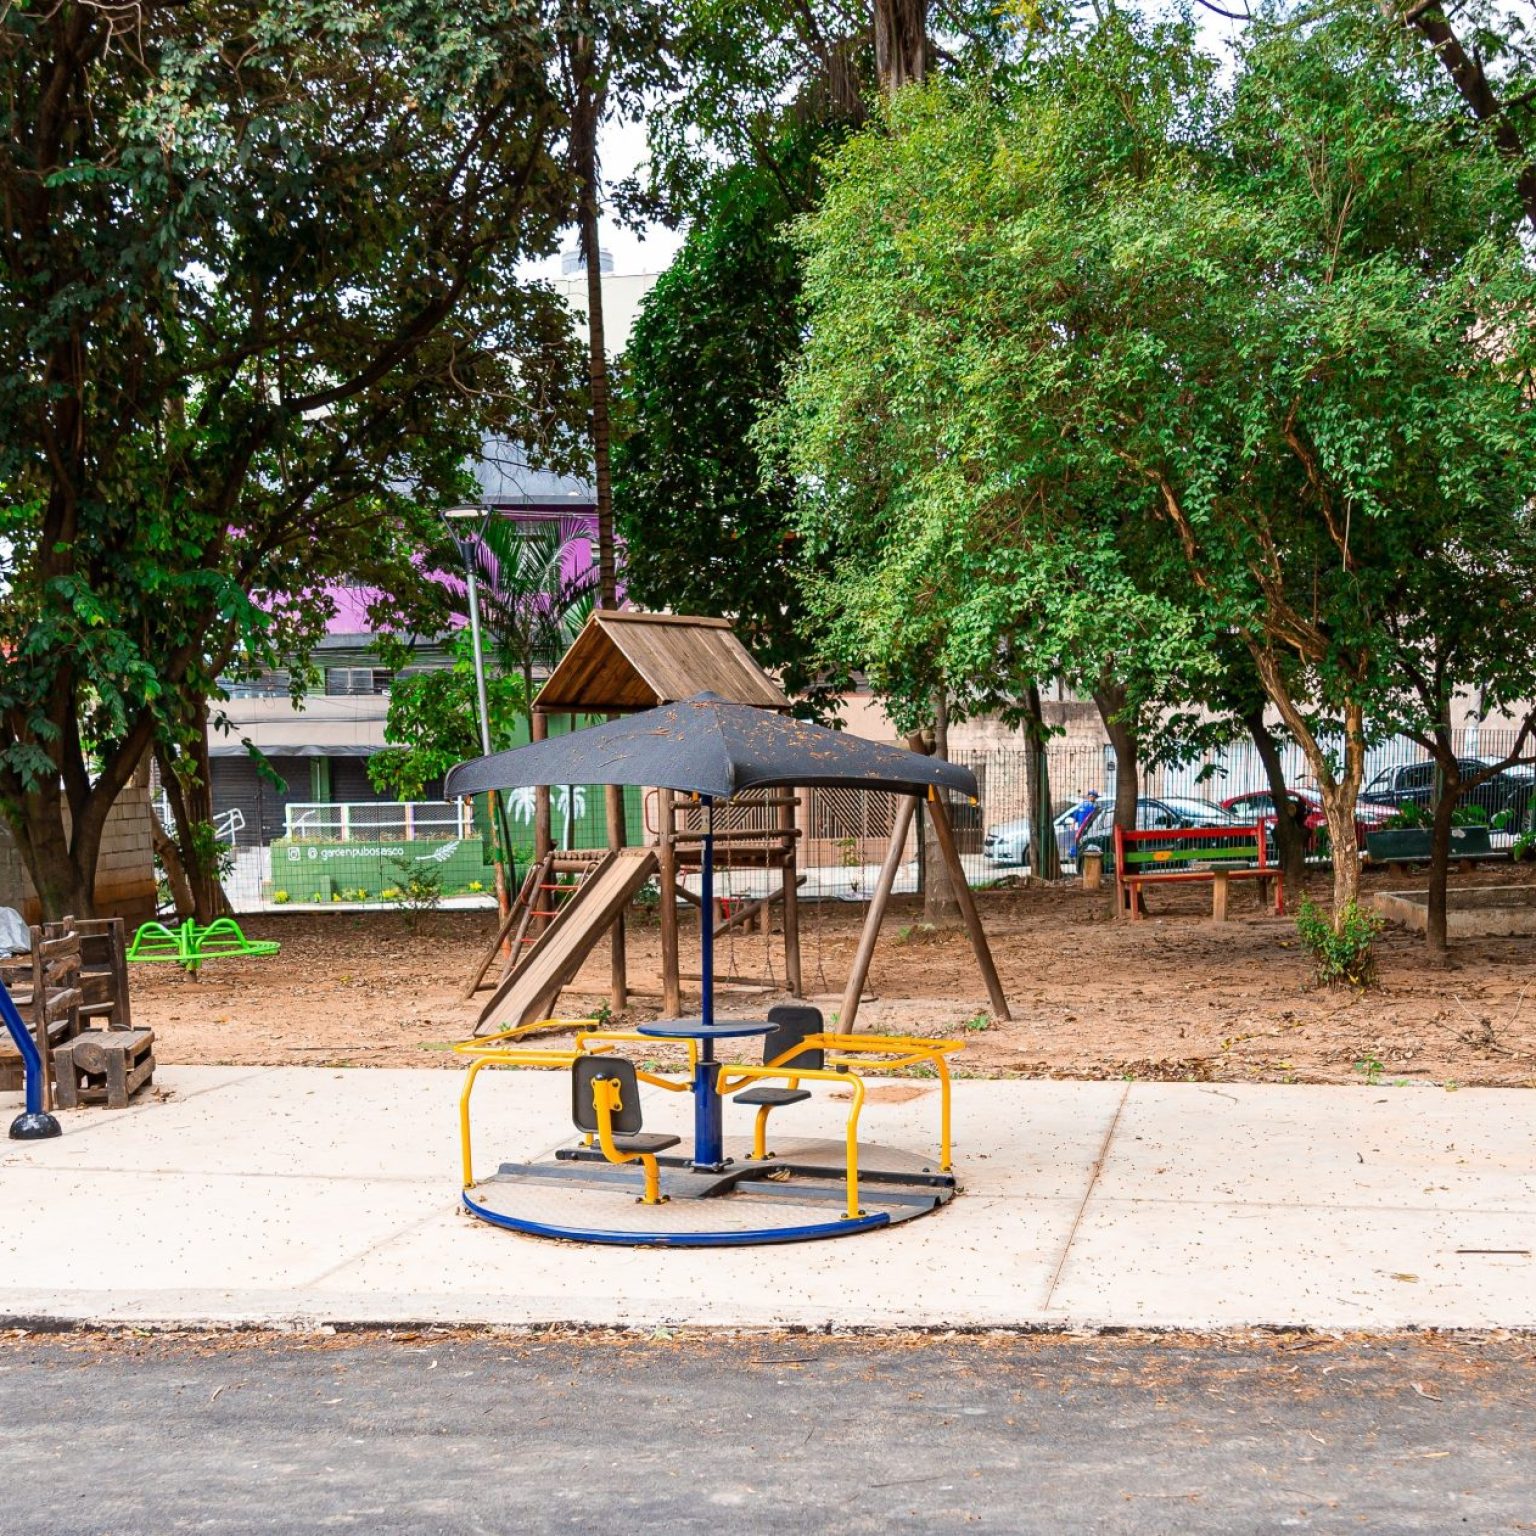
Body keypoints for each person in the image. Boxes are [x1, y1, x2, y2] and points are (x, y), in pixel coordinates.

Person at [1069, 789, 1100, 856]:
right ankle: (1078, 854)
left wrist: (1073, 824)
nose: (1095, 799)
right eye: (1095, 797)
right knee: (1083, 842)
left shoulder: (1082, 805)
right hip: (1087, 828)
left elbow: (1075, 816)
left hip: (1082, 828)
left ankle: (1074, 854)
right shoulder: (1092, 806)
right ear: (1091, 797)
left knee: (1079, 841)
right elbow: (1093, 817)